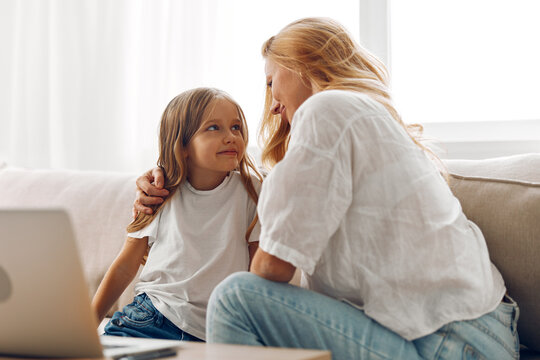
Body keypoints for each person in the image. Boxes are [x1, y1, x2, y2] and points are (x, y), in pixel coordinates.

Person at [134, 18, 519, 359]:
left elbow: (271, 269)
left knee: (236, 299)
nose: (272, 106)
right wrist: (171, 176)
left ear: (303, 64)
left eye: (272, 82)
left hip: (449, 341)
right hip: (473, 336)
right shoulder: (368, 120)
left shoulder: (328, 108)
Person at [92, 87, 262, 342]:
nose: (231, 137)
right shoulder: (159, 191)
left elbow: (256, 273)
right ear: (182, 145)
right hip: (151, 316)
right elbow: (125, 265)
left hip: (216, 328)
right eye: (214, 128)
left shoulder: (253, 190)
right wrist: (86, 325)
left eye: (236, 127)